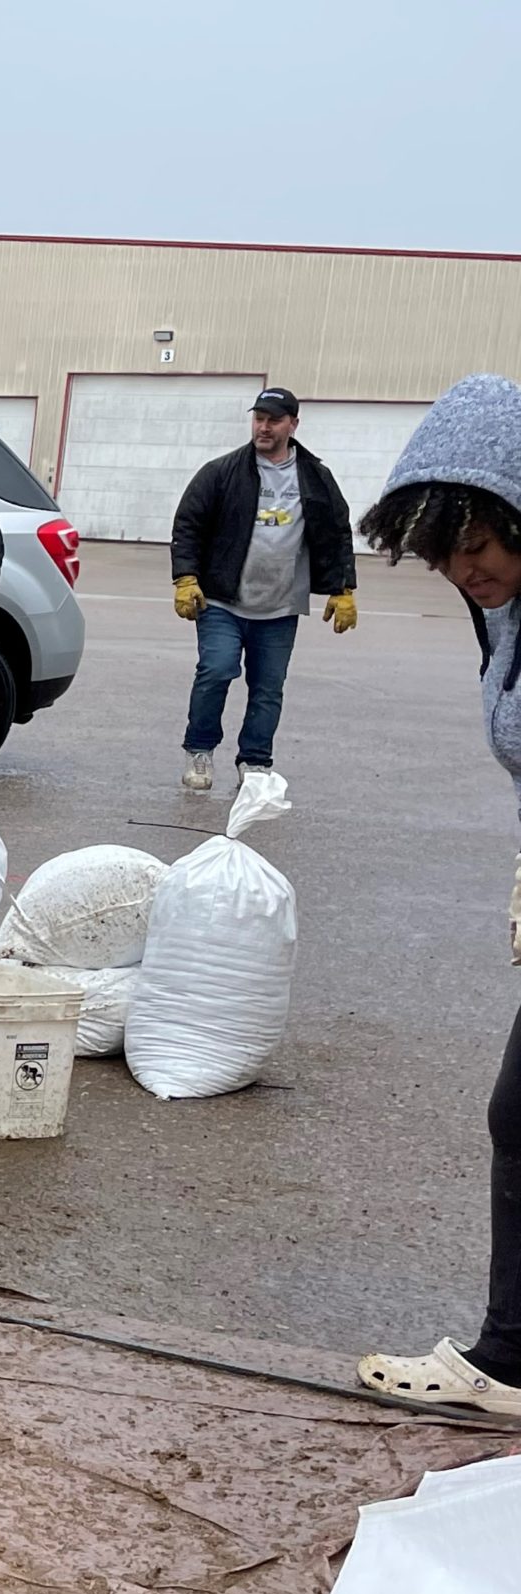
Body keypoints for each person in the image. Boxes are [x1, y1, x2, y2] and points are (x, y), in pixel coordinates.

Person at [354, 373, 521, 1417]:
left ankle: (508, 1360)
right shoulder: (502, 614)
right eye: (444, 559)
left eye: (478, 548)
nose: (466, 573)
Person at [169, 388, 358, 793]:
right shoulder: (222, 472)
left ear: (293, 424)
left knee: (268, 687)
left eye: (274, 420)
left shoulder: (315, 477)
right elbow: (189, 523)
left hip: (280, 605)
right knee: (216, 670)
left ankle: (255, 762)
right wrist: (186, 577)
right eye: (259, 418)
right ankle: (199, 750)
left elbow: (335, 532)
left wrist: (342, 588)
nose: (264, 427)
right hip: (222, 598)